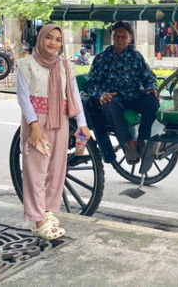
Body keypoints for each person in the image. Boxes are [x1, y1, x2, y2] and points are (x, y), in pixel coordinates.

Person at [16, 24, 90, 240]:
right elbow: (23, 98)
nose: (53, 43)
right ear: (40, 39)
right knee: (35, 171)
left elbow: (73, 96)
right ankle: (38, 220)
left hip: (61, 121)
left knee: (56, 170)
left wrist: (82, 124)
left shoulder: (65, 66)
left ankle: (48, 212)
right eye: (49, 38)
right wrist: (34, 126)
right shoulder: (26, 64)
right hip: (37, 123)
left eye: (58, 39)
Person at [84, 22, 159, 164]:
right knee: (108, 104)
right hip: (112, 98)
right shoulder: (102, 58)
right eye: (116, 36)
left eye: (123, 36)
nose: (119, 39)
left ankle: (142, 140)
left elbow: (149, 77)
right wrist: (101, 94)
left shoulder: (136, 56)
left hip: (134, 95)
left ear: (130, 39)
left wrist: (150, 87)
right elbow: (90, 83)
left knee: (152, 100)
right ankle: (130, 144)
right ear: (112, 37)